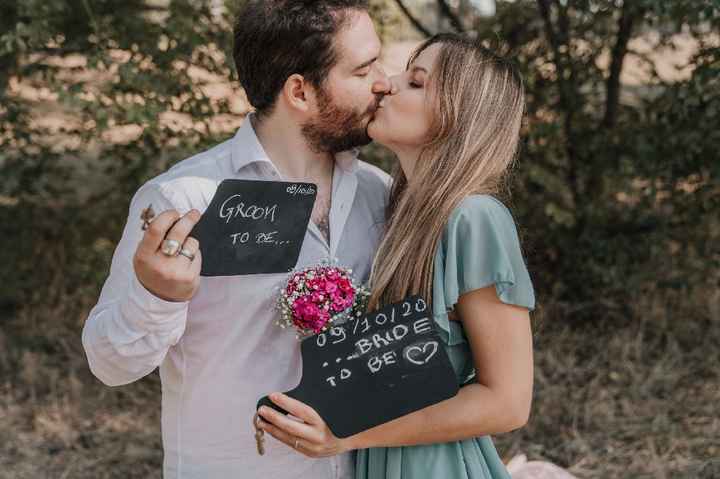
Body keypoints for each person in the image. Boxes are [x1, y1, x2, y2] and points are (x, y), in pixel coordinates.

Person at [81, 1, 392, 478]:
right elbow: (110, 365)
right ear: (299, 92)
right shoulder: (186, 199)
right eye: (364, 68)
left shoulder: (380, 193)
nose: (384, 82)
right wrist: (157, 297)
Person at [255, 33, 537, 479]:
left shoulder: (475, 218)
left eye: (417, 81)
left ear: (457, 114)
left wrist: (350, 432)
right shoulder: (401, 215)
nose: (386, 84)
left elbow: (508, 402)